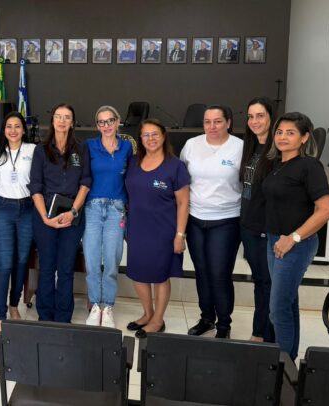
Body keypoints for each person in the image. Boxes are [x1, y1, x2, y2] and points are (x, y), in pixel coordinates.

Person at [262, 112, 329, 360]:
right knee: (287, 302)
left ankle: (282, 365)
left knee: (277, 309)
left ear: (304, 138)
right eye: (279, 132)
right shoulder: (279, 164)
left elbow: (326, 210)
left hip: (295, 245)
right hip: (275, 241)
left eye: (290, 133)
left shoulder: (309, 166)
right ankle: (288, 360)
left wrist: (293, 238)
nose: (282, 137)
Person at [180, 105, 243, 339]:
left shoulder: (240, 147)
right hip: (196, 219)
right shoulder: (192, 145)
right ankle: (207, 318)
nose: (212, 126)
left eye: (218, 121)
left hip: (226, 219)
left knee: (219, 273)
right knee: (202, 272)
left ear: (228, 122)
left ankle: (224, 324)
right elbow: (182, 179)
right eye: (207, 122)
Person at [125, 119, 190, 338]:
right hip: (137, 228)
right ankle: (147, 313)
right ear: (140, 139)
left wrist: (180, 235)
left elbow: (183, 203)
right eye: (146, 135)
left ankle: (158, 320)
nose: (150, 139)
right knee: (138, 273)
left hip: (164, 230)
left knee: (160, 275)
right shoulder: (133, 162)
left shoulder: (175, 166)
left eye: (155, 134)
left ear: (163, 136)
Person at [28, 103, 91, 322]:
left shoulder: (81, 149)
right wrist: (46, 218)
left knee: (65, 268)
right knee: (47, 267)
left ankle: (64, 317)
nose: (62, 121)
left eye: (67, 117)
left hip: (72, 216)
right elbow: (35, 187)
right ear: (52, 120)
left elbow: (85, 183)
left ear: (72, 122)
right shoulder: (41, 150)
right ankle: (45, 316)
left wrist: (73, 211)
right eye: (58, 116)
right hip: (45, 215)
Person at [83, 106, 133, 328]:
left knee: (112, 261)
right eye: (101, 122)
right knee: (92, 260)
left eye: (110, 120)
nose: (106, 126)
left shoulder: (127, 147)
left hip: (116, 209)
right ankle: (95, 304)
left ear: (118, 121)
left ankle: (108, 306)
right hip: (92, 208)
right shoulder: (89, 146)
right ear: (97, 126)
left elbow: (131, 178)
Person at [0, 112, 36, 333]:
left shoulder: (33, 150)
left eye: (17, 126)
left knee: (21, 260)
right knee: (4, 263)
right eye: (9, 126)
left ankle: (14, 305)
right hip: (2, 209)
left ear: (24, 130)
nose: (13, 130)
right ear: (4, 130)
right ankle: (0, 314)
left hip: (27, 209)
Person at [239, 97, 276, 343]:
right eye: (251, 116)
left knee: (266, 282)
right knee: (260, 280)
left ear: (272, 118)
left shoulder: (277, 151)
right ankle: (262, 332)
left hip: (266, 228)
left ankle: (262, 334)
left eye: (260, 116)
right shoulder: (251, 147)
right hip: (248, 225)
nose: (255, 121)